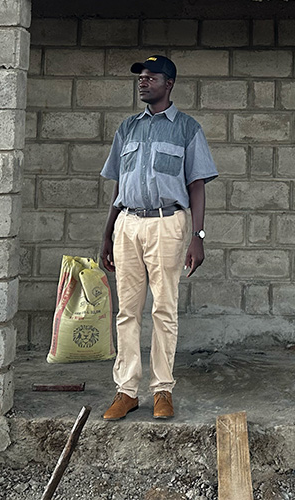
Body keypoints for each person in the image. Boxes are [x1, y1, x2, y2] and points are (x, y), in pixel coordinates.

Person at [99, 55, 218, 420]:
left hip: (169, 224)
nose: (143, 82)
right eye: (140, 77)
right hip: (128, 224)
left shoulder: (186, 129)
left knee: (164, 309)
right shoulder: (128, 129)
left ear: (169, 84)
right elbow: (120, 186)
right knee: (127, 312)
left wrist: (197, 235)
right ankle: (127, 390)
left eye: (151, 77)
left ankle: (162, 390)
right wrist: (107, 234)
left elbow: (197, 186)